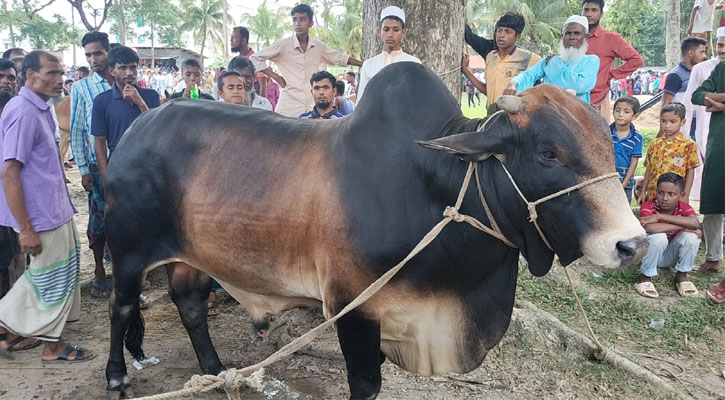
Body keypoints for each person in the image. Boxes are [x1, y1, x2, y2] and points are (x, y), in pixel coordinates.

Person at [0, 50, 94, 362]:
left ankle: (22, 332)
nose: (60, 79)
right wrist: (25, 228)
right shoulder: (23, 111)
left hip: (56, 209)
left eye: (61, 73)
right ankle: (47, 344)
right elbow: (9, 170)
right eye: (52, 73)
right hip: (40, 216)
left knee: (61, 275)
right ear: (30, 75)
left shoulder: (41, 108)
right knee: (48, 278)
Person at [250, 4, 362, 117]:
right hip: (288, 107)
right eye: (295, 20)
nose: (298, 23)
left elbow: (339, 58)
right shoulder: (283, 45)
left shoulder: (318, 47)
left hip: (313, 107)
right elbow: (255, 58)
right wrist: (275, 76)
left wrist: (364, 64)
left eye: (302, 19)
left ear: (311, 23)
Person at [69, 31, 114, 298]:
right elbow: (76, 131)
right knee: (98, 221)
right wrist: (84, 170)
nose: (93, 59)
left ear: (108, 52)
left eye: (98, 53)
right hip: (97, 167)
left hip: (126, 163)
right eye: (88, 55)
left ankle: (126, 276)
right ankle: (99, 271)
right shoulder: (81, 87)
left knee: (126, 220)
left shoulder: (123, 82)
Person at [91, 45, 160, 183]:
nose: (129, 73)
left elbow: (158, 131)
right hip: (118, 170)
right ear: (112, 71)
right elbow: (99, 142)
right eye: (122, 68)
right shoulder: (102, 101)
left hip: (148, 169)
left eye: (133, 67)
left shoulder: (151, 96)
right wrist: (106, 177)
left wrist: (140, 102)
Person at [635, 173, 701, 298]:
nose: (665, 198)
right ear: (656, 192)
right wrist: (683, 226)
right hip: (649, 254)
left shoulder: (684, 208)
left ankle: (682, 276)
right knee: (658, 237)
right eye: (661, 193)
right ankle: (645, 278)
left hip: (670, 256)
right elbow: (650, 227)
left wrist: (659, 217)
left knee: (692, 237)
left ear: (681, 195)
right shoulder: (648, 205)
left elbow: (694, 223)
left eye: (671, 194)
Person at [505, 15, 599, 103]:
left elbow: (579, 86)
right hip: (546, 111)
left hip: (575, 116)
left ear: (585, 37)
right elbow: (529, 75)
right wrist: (514, 83)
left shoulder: (591, 60)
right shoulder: (549, 60)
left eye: (577, 33)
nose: (572, 37)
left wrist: (555, 64)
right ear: (562, 37)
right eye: (568, 33)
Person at [462, 11, 541, 114]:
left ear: (518, 37)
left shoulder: (531, 59)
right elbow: (488, 91)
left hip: (516, 119)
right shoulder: (491, 57)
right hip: (491, 116)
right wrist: (465, 71)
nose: (501, 35)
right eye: (499, 31)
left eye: (507, 32)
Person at [691, 38, 725, 276]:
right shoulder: (721, 68)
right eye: (721, 44)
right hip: (719, 145)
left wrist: (718, 101)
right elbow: (697, 95)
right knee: (713, 201)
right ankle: (713, 257)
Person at [582, 0, 643, 123]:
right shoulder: (573, 36)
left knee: (598, 139)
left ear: (601, 14)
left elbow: (636, 60)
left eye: (594, 10)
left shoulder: (611, 38)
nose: (589, 14)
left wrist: (610, 74)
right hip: (572, 98)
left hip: (597, 99)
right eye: (586, 10)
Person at [684, 28, 725, 204]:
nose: (722, 50)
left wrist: (713, 100)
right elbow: (690, 102)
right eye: (720, 45)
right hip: (707, 132)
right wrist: (684, 137)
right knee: (713, 178)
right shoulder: (701, 69)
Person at [638, 103, 700, 205]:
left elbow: (690, 171)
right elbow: (648, 169)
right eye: (663, 121)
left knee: (672, 219)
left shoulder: (688, 145)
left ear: (682, 122)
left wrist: (686, 195)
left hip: (674, 195)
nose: (667, 126)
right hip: (653, 194)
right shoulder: (655, 144)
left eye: (672, 122)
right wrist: (643, 191)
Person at [357, 6, 420, 102]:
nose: (390, 34)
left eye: (396, 30)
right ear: (380, 32)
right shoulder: (369, 65)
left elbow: (418, 99)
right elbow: (361, 103)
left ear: (403, 33)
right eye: (386, 29)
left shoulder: (414, 63)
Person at [610, 96, 643, 204]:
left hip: (626, 183)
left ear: (634, 116)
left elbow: (634, 163)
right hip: (607, 181)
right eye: (617, 110)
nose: (620, 114)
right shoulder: (605, 132)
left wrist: (624, 184)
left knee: (623, 209)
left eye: (626, 111)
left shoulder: (637, 137)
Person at [662, 37, 708, 107]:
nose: (705, 56)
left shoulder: (703, 72)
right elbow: (666, 103)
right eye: (702, 52)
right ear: (690, 53)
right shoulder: (675, 75)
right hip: (684, 117)